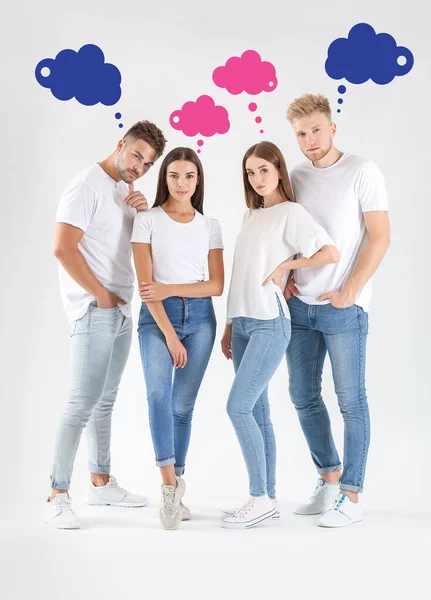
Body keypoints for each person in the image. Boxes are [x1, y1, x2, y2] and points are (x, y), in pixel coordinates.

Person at [43, 121, 167, 529]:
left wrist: (141, 214)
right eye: (136, 156)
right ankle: (57, 494)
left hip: (121, 309)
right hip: (93, 309)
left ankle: (100, 481)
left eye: (148, 164)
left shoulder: (120, 191)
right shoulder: (86, 185)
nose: (139, 168)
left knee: (104, 402)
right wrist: (98, 294)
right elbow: (63, 247)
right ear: (120, 144)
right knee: (81, 403)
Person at [220, 141, 339, 529]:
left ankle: (257, 497)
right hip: (243, 323)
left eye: (263, 171)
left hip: (271, 321)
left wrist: (288, 264)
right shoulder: (250, 215)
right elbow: (241, 274)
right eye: (250, 172)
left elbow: (329, 253)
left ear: (279, 171)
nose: (257, 179)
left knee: (237, 407)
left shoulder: (291, 213)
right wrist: (229, 325)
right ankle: (266, 497)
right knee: (256, 410)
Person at [284, 93, 390, 528]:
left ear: (332, 127)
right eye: (300, 134)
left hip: (345, 308)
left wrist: (351, 289)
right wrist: (288, 273)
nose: (309, 140)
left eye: (315, 130)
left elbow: (380, 235)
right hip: (299, 307)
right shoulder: (296, 175)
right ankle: (329, 478)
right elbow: (289, 229)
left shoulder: (361, 170)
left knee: (351, 401)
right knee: (302, 396)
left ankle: (352, 495)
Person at [131, 147, 224, 530]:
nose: (181, 183)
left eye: (189, 176)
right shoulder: (147, 220)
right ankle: (169, 487)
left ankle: (178, 483)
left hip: (201, 320)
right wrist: (170, 335)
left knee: (182, 407)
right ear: (164, 178)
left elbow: (216, 286)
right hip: (157, 321)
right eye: (174, 175)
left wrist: (171, 287)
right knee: (158, 395)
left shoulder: (210, 226)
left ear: (198, 180)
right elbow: (146, 288)